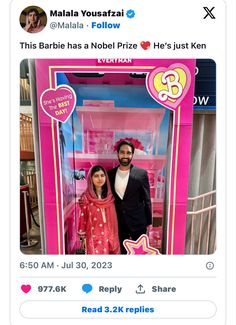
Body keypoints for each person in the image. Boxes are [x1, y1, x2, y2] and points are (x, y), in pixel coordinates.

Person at [108, 140, 152, 254]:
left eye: (128, 153)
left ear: (132, 154)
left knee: (140, 255)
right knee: (122, 252)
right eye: (122, 152)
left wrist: (148, 222)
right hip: (119, 222)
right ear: (118, 154)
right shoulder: (110, 174)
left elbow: (147, 199)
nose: (125, 156)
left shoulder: (141, 174)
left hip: (138, 222)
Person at [78, 165, 120, 254]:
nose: (100, 179)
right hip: (94, 238)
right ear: (91, 179)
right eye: (96, 176)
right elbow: (83, 219)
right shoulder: (86, 198)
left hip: (110, 237)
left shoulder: (110, 197)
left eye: (102, 175)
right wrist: (83, 239)